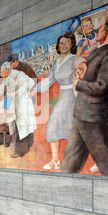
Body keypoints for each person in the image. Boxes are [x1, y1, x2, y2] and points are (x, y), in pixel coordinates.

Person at [60, 8, 108, 177]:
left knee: (107, 159)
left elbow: (101, 86)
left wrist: (78, 84)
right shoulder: (100, 51)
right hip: (83, 114)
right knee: (71, 159)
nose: (96, 30)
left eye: (101, 27)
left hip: (92, 117)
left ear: (106, 31)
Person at [37, 32, 78, 171]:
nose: (64, 45)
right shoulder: (57, 62)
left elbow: (83, 71)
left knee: (70, 128)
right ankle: (56, 160)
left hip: (73, 95)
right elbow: (48, 80)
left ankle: (71, 161)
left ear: (71, 44)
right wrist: (32, 89)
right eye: (61, 43)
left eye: (67, 42)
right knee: (54, 126)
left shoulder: (74, 59)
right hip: (63, 96)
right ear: (58, 47)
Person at [0, 62, 36, 158]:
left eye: (3, 73)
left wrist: (16, 92)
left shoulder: (18, 75)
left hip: (22, 104)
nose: (2, 75)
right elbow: (1, 90)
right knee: (15, 126)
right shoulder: (6, 78)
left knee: (22, 128)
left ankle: (20, 151)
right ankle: (20, 147)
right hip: (13, 104)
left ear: (8, 71)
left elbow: (31, 82)